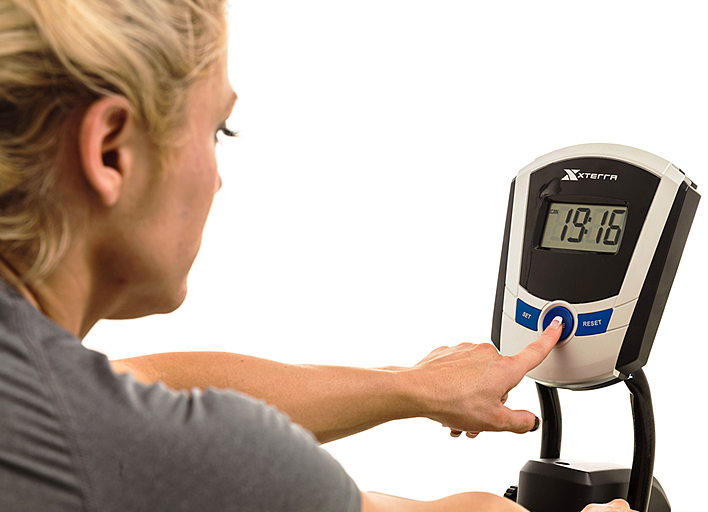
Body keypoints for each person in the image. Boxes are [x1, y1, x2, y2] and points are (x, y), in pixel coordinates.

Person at [0, 0, 637, 510]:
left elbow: (139, 383)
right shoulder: (131, 450)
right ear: (111, 151)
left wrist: (408, 386)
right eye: (218, 130)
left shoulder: (32, 403)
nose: (217, 179)